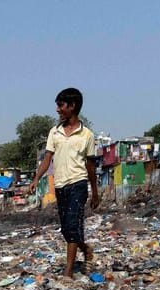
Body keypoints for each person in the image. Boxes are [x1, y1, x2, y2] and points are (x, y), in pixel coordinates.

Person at [29, 88, 100, 278]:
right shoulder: (55, 132)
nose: (57, 110)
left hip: (78, 184)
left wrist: (95, 192)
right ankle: (85, 249)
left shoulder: (87, 135)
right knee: (67, 229)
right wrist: (37, 178)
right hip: (60, 186)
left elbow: (91, 166)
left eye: (60, 105)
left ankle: (68, 271)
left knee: (72, 224)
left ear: (72, 106)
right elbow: (47, 159)